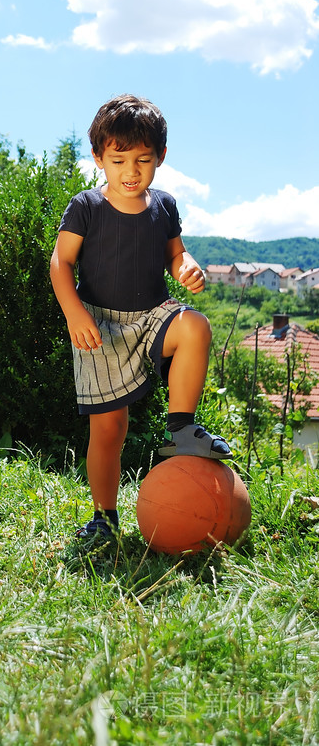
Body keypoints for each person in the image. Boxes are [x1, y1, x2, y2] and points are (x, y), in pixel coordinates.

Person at [50, 94, 231, 543]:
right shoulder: (85, 207)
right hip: (98, 327)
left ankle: (181, 427)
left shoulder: (164, 206)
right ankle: (104, 518)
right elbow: (60, 262)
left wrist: (186, 268)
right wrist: (74, 313)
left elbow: (175, 254)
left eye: (143, 160)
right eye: (118, 160)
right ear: (98, 159)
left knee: (195, 325)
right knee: (109, 429)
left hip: (151, 315)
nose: (131, 171)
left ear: (161, 157)